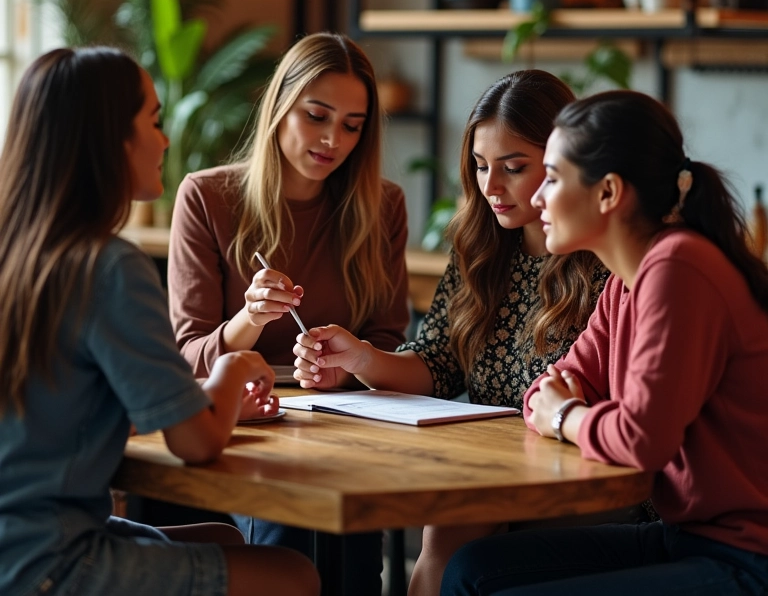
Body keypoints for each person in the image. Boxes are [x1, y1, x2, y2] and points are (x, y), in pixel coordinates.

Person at [0, 47, 320, 596]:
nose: (165, 140)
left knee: (224, 537)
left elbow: (70, 413)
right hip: (48, 561)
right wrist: (233, 370)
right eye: (153, 121)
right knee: (294, 575)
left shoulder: (21, 255)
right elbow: (196, 444)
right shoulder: (109, 266)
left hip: (16, 545)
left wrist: (207, 399)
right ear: (110, 139)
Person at [294, 70, 610, 596]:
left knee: (454, 536)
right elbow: (438, 363)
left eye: (514, 168)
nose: (491, 187)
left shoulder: (605, 263)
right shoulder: (482, 250)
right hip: (493, 470)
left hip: (579, 473)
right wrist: (361, 358)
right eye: (481, 166)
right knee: (447, 534)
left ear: (565, 163)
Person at [441, 89, 768, 596]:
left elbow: (640, 439)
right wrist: (559, 406)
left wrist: (565, 416)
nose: (538, 198)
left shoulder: (679, 267)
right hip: (686, 537)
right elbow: (543, 391)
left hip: (747, 555)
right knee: (471, 567)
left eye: (552, 178)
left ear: (609, 192)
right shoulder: (624, 284)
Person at [168, 31, 410, 594]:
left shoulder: (384, 206)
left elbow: (388, 343)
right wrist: (250, 318)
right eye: (316, 115)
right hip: (251, 425)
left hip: (348, 427)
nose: (332, 139)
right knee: (288, 540)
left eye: (352, 126)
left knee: (354, 563)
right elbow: (188, 358)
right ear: (279, 106)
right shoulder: (206, 198)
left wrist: (344, 368)